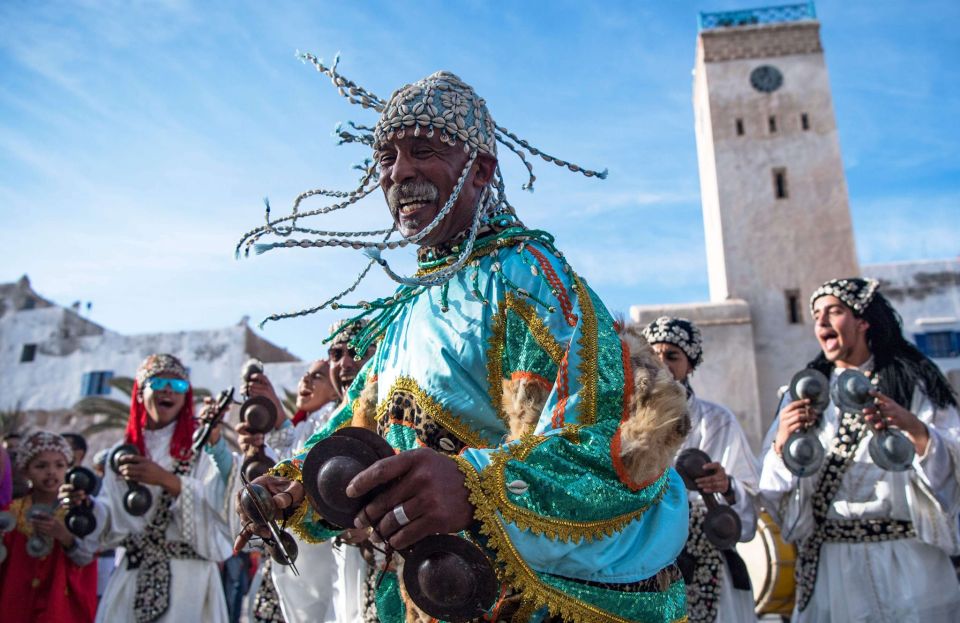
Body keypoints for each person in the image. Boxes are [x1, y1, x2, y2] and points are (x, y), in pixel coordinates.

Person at [235, 61, 691, 622]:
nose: (399, 173)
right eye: (386, 158)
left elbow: (613, 440)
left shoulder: (529, 278)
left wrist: (475, 485)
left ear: (480, 170)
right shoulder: (407, 311)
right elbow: (357, 431)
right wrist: (293, 486)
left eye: (424, 150)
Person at [759, 278, 960, 622]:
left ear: (863, 321)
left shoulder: (911, 384)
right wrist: (781, 444)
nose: (820, 322)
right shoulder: (802, 393)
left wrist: (915, 429)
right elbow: (772, 493)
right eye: (816, 314)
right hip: (832, 570)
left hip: (909, 563)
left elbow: (953, 460)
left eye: (833, 311)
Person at [60, 353, 239, 623]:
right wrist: (86, 507)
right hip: (132, 576)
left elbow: (222, 504)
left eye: (178, 385)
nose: (168, 389)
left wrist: (170, 481)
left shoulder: (200, 448)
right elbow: (111, 521)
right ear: (140, 392)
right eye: (157, 383)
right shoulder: (120, 455)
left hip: (189, 581)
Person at [239, 321, 375, 623]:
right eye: (336, 354)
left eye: (359, 351)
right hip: (346, 570)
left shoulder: (400, 407)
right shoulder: (331, 428)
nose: (346, 363)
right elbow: (305, 464)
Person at [642, 316, 759, 623]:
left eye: (672, 356)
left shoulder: (717, 420)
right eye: (653, 355)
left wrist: (727, 485)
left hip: (708, 560)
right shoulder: (625, 422)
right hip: (644, 558)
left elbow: (748, 494)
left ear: (690, 365)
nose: (661, 363)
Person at [0, 431, 98, 622]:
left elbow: (87, 558)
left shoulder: (79, 512)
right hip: (17, 604)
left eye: (59, 465)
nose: (51, 471)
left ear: (69, 468)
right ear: (25, 471)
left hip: (61, 606)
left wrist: (64, 537)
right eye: (41, 466)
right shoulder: (11, 512)